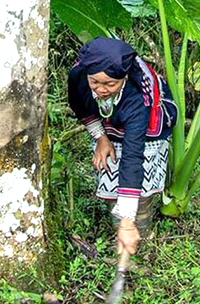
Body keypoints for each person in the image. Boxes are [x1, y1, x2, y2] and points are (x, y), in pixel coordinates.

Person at [67, 37, 177, 255]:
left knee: (140, 180)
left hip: (147, 131)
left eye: (110, 84)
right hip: (110, 118)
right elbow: (79, 105)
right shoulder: (79, 75)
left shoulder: (139, 98)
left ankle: (140, 236)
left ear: (124, 77)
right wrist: (100, 137)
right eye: (95, 82)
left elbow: (133, 157)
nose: (101, 89)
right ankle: (121, 228)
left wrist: (128, 221)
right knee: (108, 166)